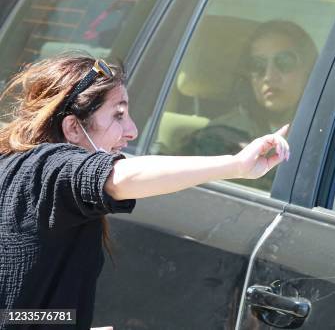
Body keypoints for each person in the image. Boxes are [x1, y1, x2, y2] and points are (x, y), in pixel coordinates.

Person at [0, 54, 289, 329]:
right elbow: (118, 177)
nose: (132, 131)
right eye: (118, 115)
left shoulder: (24, 170)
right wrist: (237, 165)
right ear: (73, 128)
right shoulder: (49, 169)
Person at [180, 20, 317, 189]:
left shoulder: (329, 136)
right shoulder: (217, 139)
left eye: (284, 62)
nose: (269, 76)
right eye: (257, 65)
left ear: (309, 69)